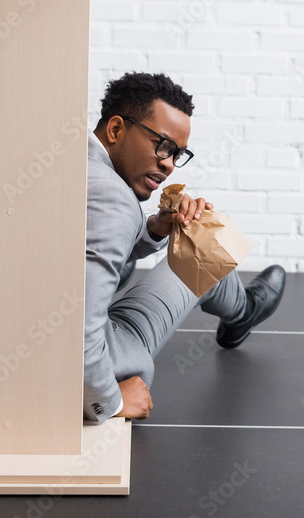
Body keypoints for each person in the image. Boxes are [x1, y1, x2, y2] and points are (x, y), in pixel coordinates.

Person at [83, 72, 286, 423]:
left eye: (177, 154)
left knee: (181, 234)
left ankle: (240, 312)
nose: (168, 164)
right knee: (200, 249)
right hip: (97, 366)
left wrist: (155, 228)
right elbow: (78, 323)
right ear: (116, 129)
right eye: (162, 145)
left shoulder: (69, 163)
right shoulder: (115, 201)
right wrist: (109, 400)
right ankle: (242, 313)